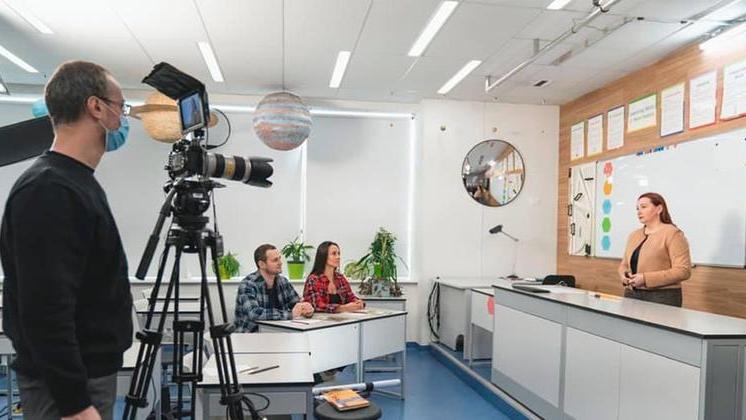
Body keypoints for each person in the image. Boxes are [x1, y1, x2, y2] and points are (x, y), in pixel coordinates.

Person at [0, 61, 133, 420]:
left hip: (85, 375)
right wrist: (75, 404)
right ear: (96, 107)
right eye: (121, 107)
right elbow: (45, 310)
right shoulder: (49, 189)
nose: (122, 118)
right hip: (68, 388)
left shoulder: (75, 181)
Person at [618, 192, 692, 307]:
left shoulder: (673, 234)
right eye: (637, 208)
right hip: (632, 294)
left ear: (659, 209)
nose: (639, 212)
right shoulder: (633, 235)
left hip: (662, 296)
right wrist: (623, 275)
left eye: (643, 207)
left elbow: (683, 270)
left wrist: (645, 279)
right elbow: (624, 264)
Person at [234, 244, 314, 332]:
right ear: (261, 264)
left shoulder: (283, 281)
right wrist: (290, 314)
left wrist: (305, 308)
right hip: (251, 335)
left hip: (279, 332)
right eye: (275, 260)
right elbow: (254, 313)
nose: (280, 263)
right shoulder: (248, 284)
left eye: (279, 258)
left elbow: (296, 303)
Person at [303, 241, 364, 313]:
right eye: (334, 254)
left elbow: (350, 297)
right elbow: (316, 305)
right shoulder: (313, 279)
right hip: (321, 319)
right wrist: (342, 308)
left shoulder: (340, 278)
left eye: (339, 254)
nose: (338, 257)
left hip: (342, 318)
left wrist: (357, 302)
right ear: (323, 256)